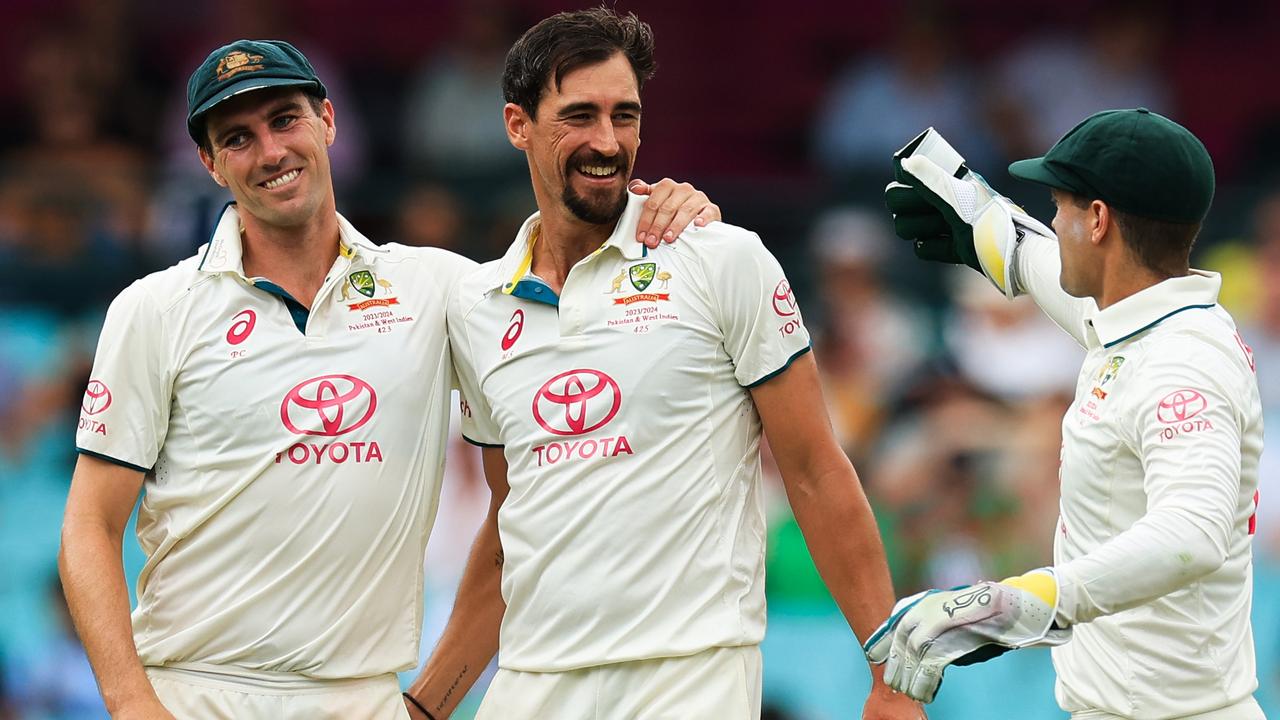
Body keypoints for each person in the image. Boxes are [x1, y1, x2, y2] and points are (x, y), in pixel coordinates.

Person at [57, 38, 718, 720]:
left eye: (286, 119)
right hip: (191, 693)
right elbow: (88, 525)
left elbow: (532, 493)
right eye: (238, 138)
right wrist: (132, 703)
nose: (272, 151)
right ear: (210, 163)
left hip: (364, 700)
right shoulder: (154, 309)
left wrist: (667, 216)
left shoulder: (438, 289)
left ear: (329, 122)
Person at [400, 9, 922, 720]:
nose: (607, 142)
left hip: (689, 680)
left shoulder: (720, 258)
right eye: (579, 116)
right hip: (529, 682)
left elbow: (815, 470)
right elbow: (511, 524)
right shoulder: (478, 307)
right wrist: (426, 707)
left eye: (626, 116)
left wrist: (888, 675)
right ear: (518, 125)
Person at [866, 110, 1263, 719]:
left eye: (1060, 205)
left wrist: (1027, 599)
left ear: (1098, 219)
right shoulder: (1142, 324)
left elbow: (1194, 534)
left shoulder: (1181, 361)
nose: (1054, 219)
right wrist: (992, 225)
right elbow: (1055, 274)